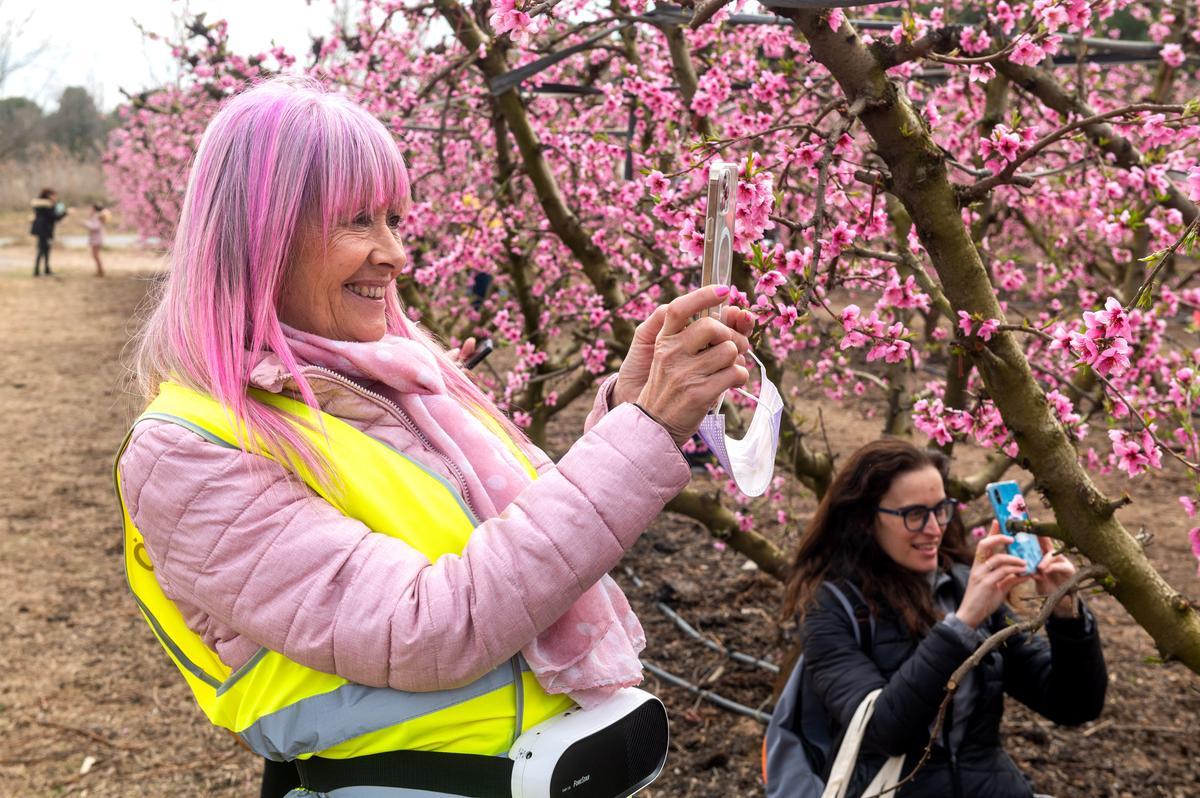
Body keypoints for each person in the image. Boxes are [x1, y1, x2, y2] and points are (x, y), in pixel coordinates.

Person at [114, 76, 755, 798]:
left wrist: (628, 411)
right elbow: (427, 627)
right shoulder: (189, 451)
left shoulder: (400, 375)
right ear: (260, 237)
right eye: (357, 221)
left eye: (394, 220)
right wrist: (642, 436)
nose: (394, 255)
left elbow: (529, 527)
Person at [780, 439, 1106, 798]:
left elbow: (1073, 705)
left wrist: (1067, 616)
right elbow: (884, 732)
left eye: (941, 509)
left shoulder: (960, 584)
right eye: (915, 515)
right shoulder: (829, 607)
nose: (935, 528)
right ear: (864, 519)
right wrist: (962, 624)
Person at [30, 188, 67, 277]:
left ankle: (45, 269)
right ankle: (37, 271)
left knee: (45, 250)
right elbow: (55, 217)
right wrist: (65, 213)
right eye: (54, 195)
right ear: (49, 196)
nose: (55, 197)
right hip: (45, 230)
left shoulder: (39, 205)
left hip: (42, 230)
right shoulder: (47, 206)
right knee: (42, 250)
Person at [83, 203, 110, 277]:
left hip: (97, 239)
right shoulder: (97, 216)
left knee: (96, 255)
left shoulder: (98, 217)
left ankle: (101, 271)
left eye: (91, 208)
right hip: (96, 238)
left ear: (94, 209)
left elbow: (95, 227)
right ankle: (99, 270)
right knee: (95, 255)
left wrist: (85, 223)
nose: (90, 210)